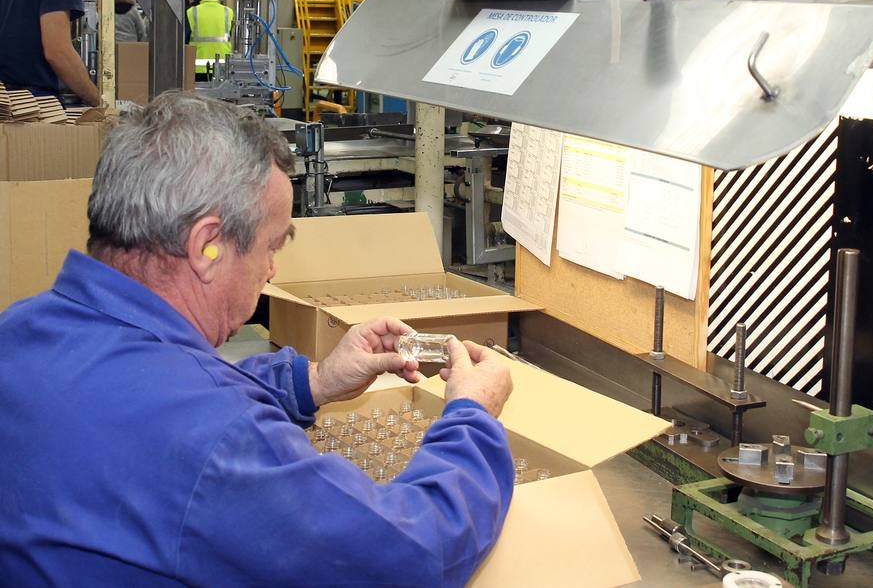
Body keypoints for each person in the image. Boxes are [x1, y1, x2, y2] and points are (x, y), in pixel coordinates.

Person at [0, 92, 515, 586]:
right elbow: (408, 555)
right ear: (207, 247)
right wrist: (471, 416)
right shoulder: (216, 439)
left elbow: (144, 391)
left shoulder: (20, 331)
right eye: (271, 247)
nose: (271, 271)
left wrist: (314, 381)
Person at [187, 0, 233, 75]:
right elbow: (229, 34)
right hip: (222, 66)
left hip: (198, 67)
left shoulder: (191, 12)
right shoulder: (228, 11)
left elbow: (185, 39)